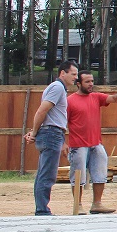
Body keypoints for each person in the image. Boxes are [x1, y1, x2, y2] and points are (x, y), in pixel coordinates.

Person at [67, 72, 117, 214]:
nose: (91, 84)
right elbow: (63, 121)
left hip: (95, 143)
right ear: (78, 84)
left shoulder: (95, 97)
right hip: (78, 145)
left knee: (100, 173)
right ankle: (78, 204)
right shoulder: (70, 101)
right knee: (78, 176)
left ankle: (97, 203)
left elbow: (110, 98)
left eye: (92, 81)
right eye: (87, 82)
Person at [24, 60, 78, 215]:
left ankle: (41, 208)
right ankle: (42, 210)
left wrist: (37, 131)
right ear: (63, 73)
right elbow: (42, 111)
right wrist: (34, 133)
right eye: (73, 74)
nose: (75, 77)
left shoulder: (57, 88)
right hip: (51, 134)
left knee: (44, 173)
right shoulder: (57, 88)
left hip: (51, 133)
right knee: (47, 174)